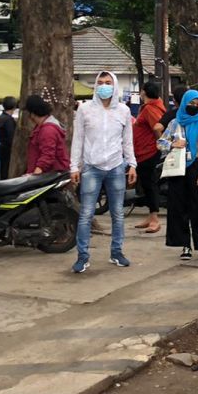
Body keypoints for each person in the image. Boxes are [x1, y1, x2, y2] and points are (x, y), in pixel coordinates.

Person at [69, 72, 136, 273]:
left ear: (114, 86)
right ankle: (82, 257)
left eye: (108, 83)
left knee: (118, 214)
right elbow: (78, 139)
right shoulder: (85, 110)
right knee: (86, 214)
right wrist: (74, 166)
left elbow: (127, 141)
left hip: (116, 166)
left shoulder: (123, 111)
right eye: (100, 83)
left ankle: (117, 252)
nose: (104, 86)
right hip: (91, 166)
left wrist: (132, 164)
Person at [159, 89, 198, 260]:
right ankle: (185, 245)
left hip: (197, 168)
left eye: (197, 104)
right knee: (178, 207)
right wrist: (172, 144)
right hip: (177, 169)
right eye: (191, 103)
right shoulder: (175, 123)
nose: (194, 107)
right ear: (184, 103)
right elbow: (160, 142)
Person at [132, 83, 167, 233]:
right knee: (146, 185)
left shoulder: (150, 109)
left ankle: (154, 218)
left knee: (150, 185)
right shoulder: (150, 107)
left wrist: (161, 145)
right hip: (142, 152)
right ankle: (150, 216)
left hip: (149, 152)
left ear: (144, 92)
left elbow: (158, 127)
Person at [24, 95, 69, 174]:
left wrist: (35, 175)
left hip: (47, 176)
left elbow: (47, 156)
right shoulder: (43, 127)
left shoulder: (47, 130)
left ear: (33, 113)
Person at [0, 96, 18, 177]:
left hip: (3, 147)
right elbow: (11, 136)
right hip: (8, 149)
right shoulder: (8, 120)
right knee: (7, 171)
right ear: (14, 106)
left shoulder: (1, 118)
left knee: (4, 169)